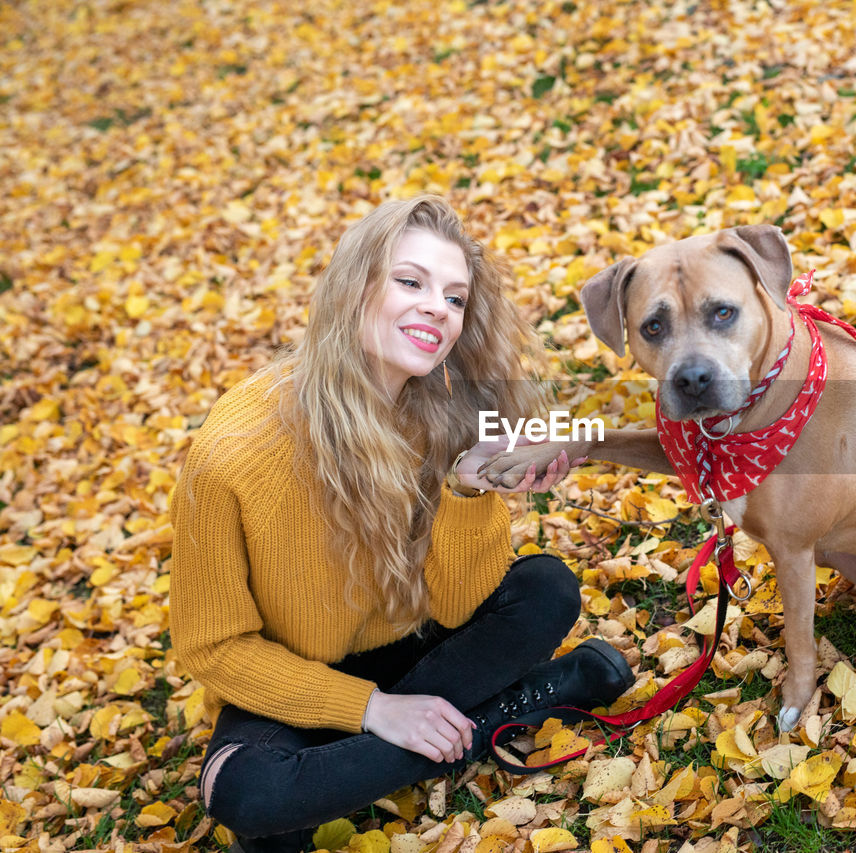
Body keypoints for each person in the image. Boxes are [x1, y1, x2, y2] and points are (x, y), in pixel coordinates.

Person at [169, 196, 634, 852]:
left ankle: (347, 767)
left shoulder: (439, 411)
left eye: (455, 297)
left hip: (415, 644)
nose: (436, 309)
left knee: (547, 589)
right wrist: (372, 710)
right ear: (355, 285)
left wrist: (467, 492)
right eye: (410, 281)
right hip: (292, 674)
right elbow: (211, 647)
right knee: (247, 793)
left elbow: (457, 604)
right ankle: (511, 707)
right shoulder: (235, 448)